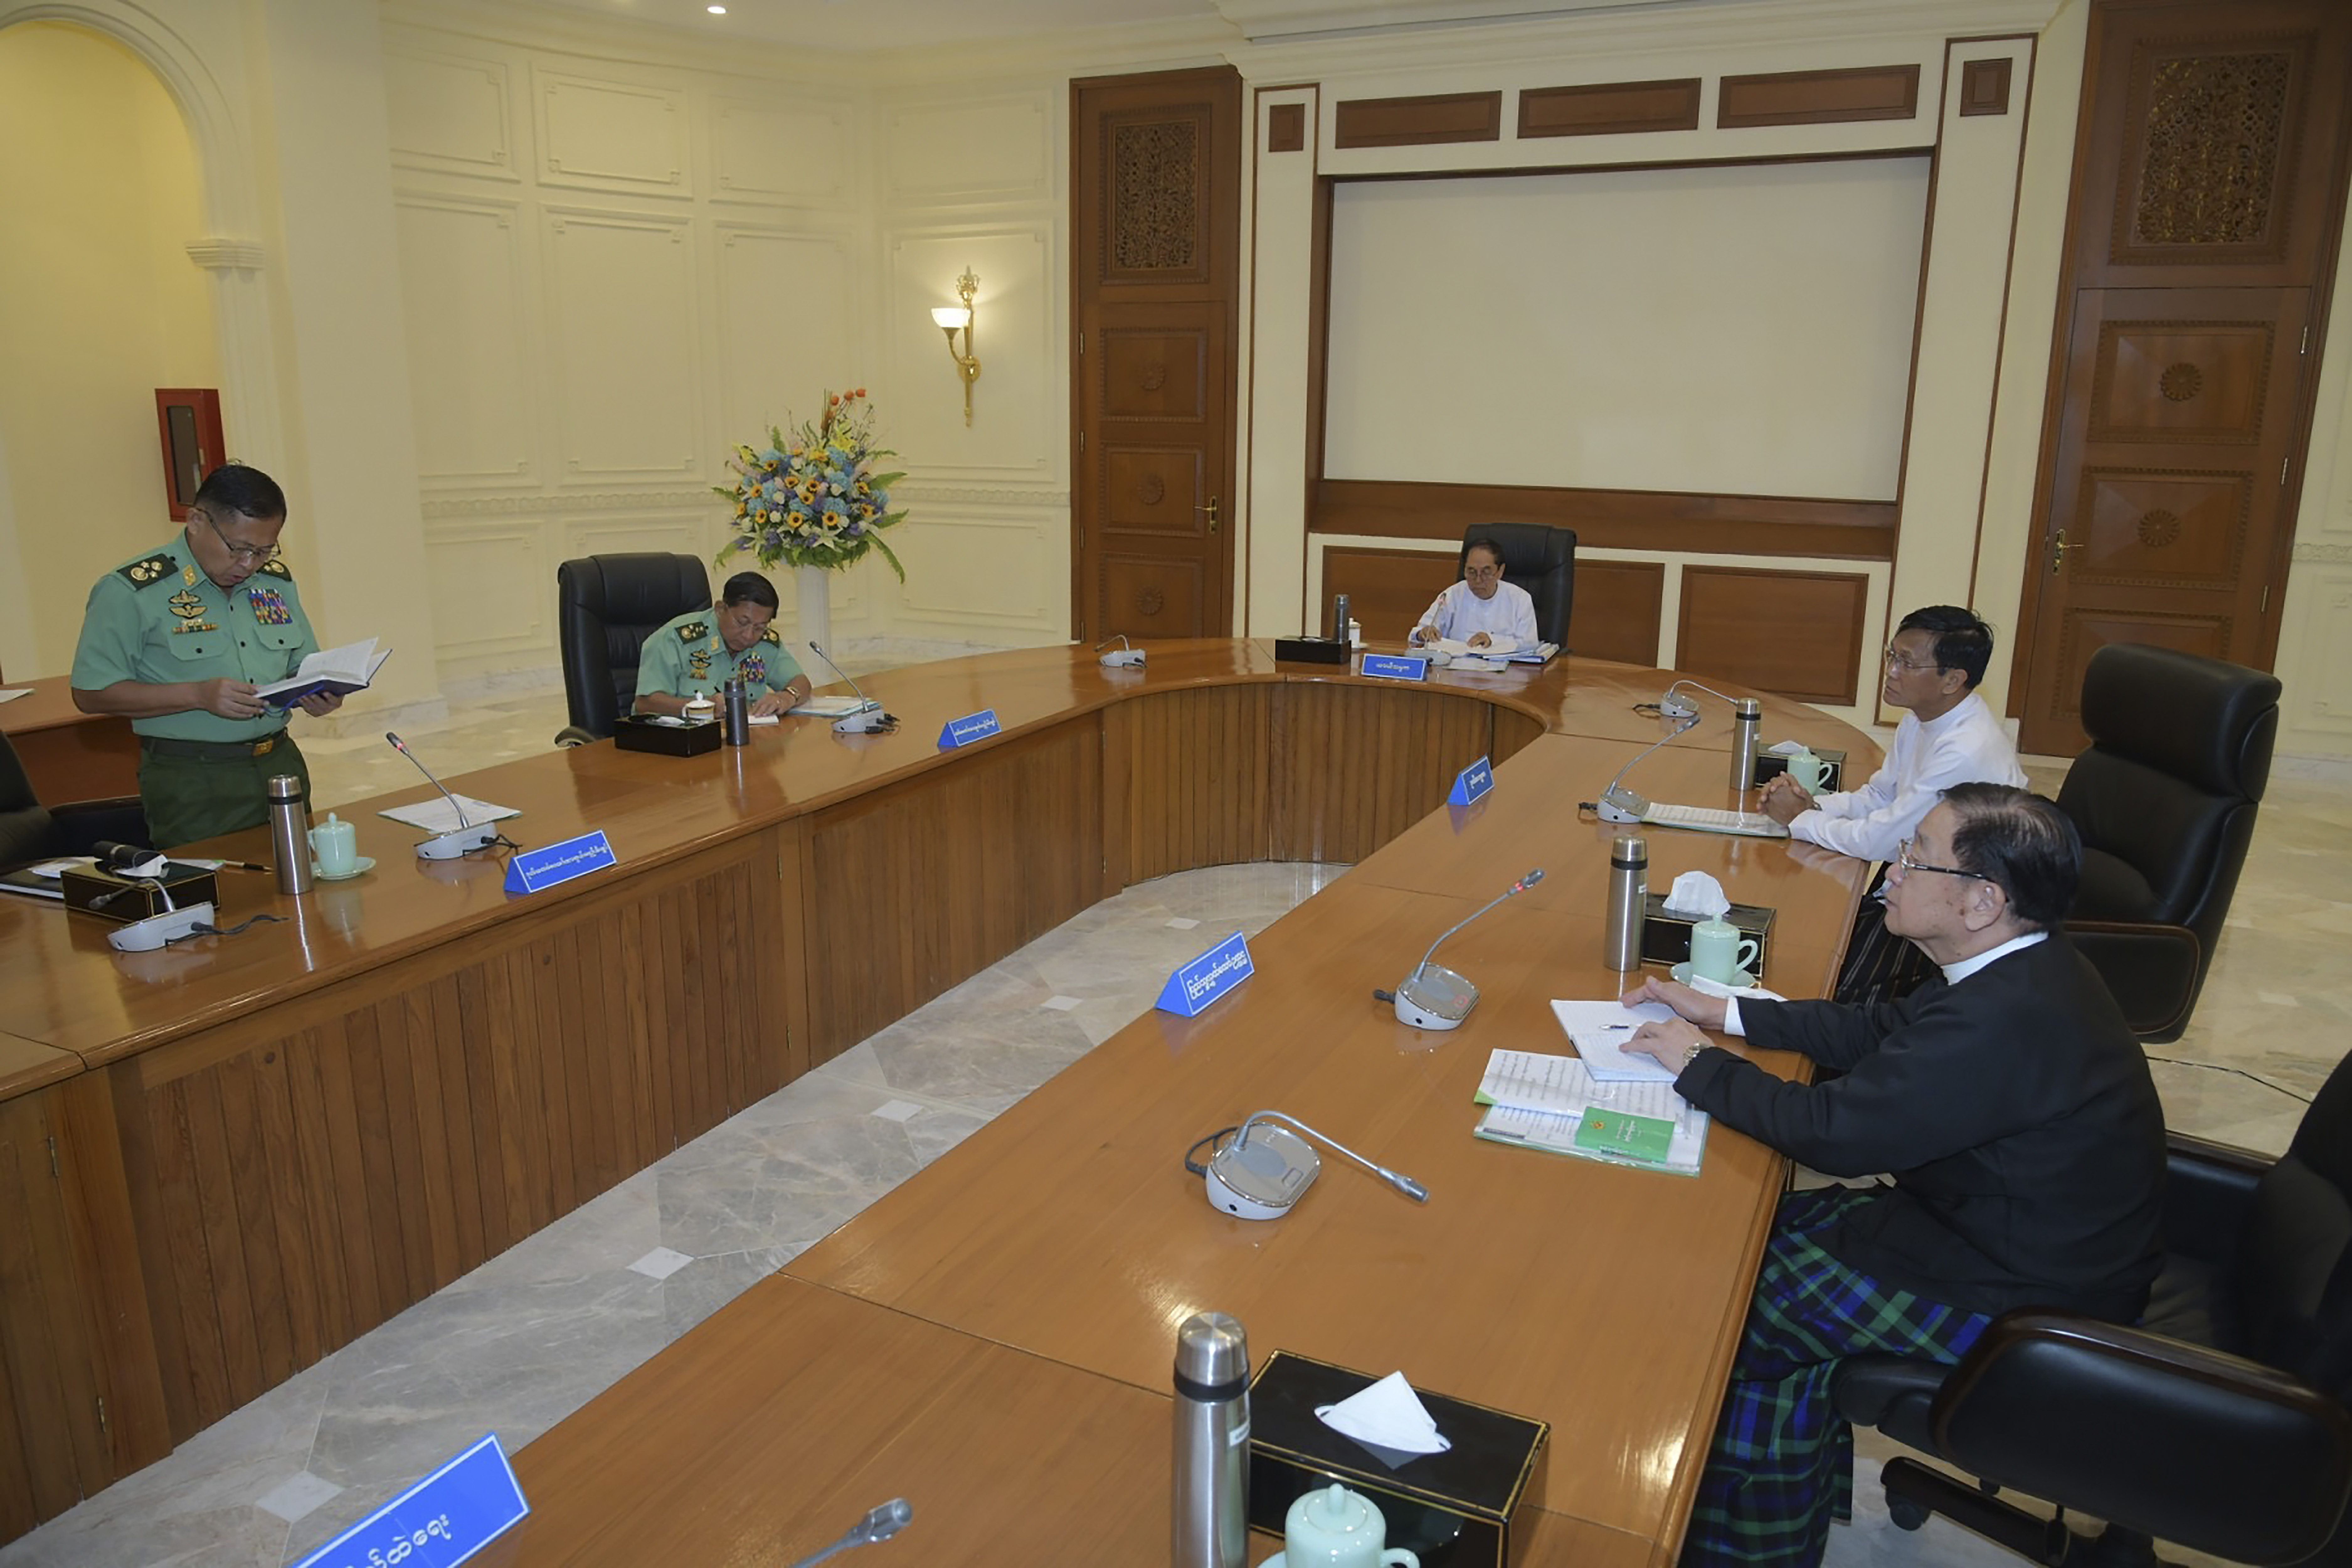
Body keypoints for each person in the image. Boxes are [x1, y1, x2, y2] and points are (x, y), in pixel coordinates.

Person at [1622, 783, 2165, 1568]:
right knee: (1752, 1239)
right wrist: (1723, 1011)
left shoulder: (2004, 1022)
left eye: (1914, 861)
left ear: (1981, 900)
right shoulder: (2023, 967)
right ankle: (1776, 1500)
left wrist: (1696, 1063)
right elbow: (1875, 1029)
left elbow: (1832, 1132)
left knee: (1735, 1312)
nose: (1889, 876)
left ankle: (1743, 1548)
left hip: (2022, 1293)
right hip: (1998, 1235)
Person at [70, 463, 343, 849]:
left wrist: (318, 691)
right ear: (197, 520)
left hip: (280, 763)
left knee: (299, 886)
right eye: (239, 548)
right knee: (215, 897)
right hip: (192, 777)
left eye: (264, 550)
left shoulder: (274, 583)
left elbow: (301, 663)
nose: (249, 564)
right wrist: (198, 695)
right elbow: (91, 692)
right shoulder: (132, 591)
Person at [1758, 605, 2024, 861]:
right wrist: (1813, 804)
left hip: (1969, 890)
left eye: (1907, 663)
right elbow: (1881, 797)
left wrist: (1800, 818)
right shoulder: (1916, 720)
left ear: (1953, 681)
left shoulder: (1965, 751)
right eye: (1892, 656)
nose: (1891, 671)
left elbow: (1882, 841)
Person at [633, 571, 813, 719]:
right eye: (742, 623)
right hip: (679, 745)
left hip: (746, 741)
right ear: (721, 609)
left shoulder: (765, 643)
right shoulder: (675, 638)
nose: (749, 636)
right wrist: (702, 708)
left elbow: (801, 682)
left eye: (760, 627)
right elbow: (645, 703)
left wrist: (787, 696)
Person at [1408, 537, 1537, 650]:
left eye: (1486, 573)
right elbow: (1419, 632)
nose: (1478, 580)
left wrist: (1493, 641)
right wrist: (1423, 634)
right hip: (1456, 672)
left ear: (1500, 571)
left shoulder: (1520, 599)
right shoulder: (1452, 595)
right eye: (1472, 572)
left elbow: (1530, 644)